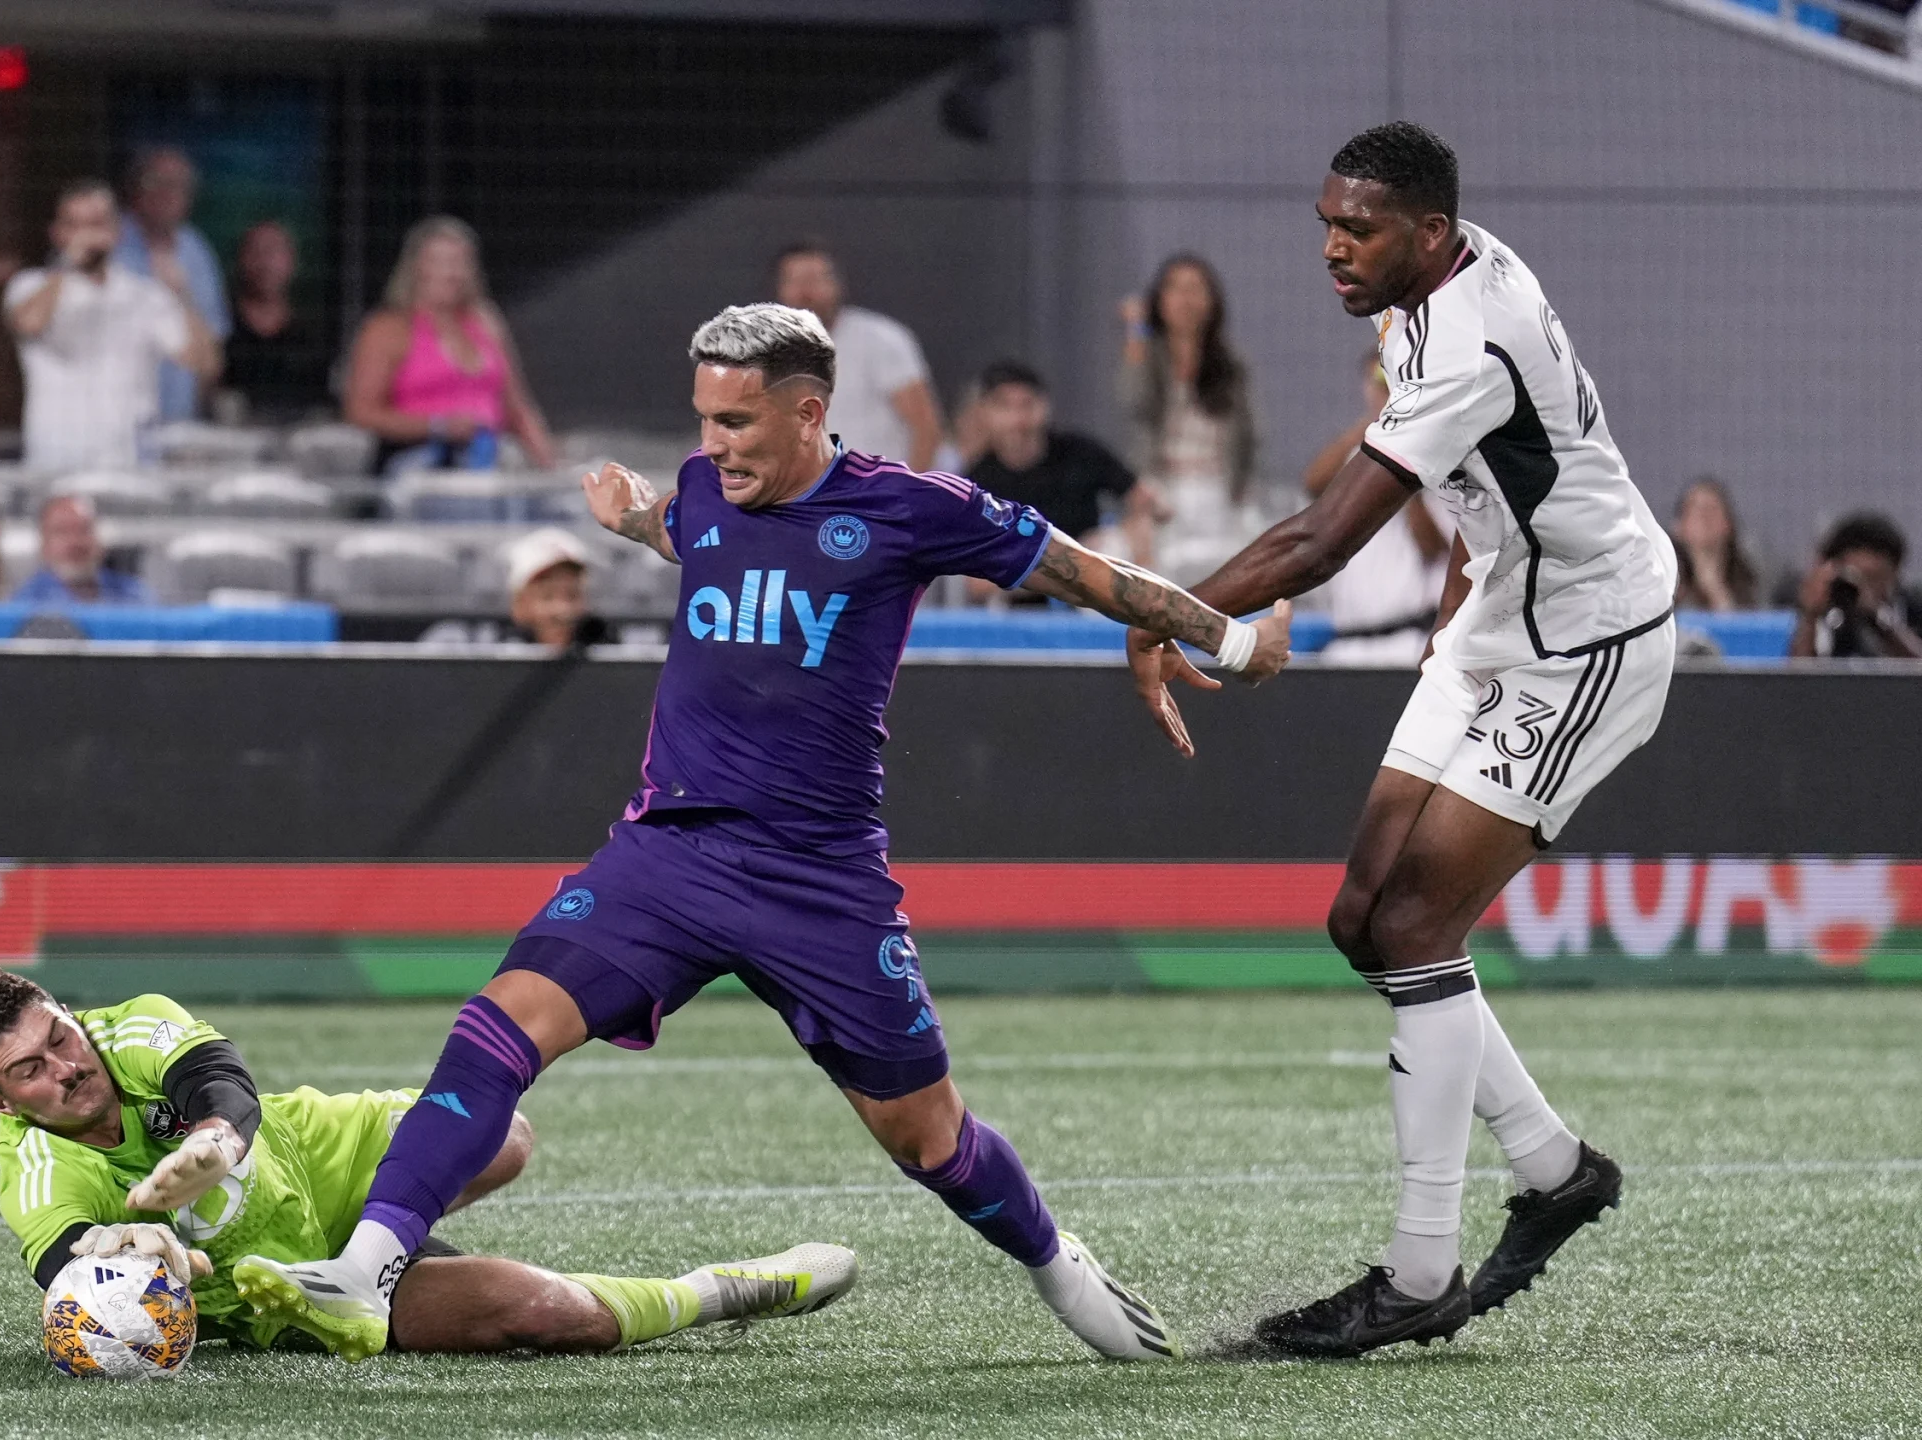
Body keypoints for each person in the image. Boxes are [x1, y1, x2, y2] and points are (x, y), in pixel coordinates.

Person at [232, 302, 1290, 1363]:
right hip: (668, 854)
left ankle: (1058, 1264)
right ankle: (364, 1273)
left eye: (736, 422)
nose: (712, 445)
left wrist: (1231, 640)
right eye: (703, 419)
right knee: (496, 1027)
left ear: (808, 412)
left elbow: (1078, 570)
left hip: (819, 883)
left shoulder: (906, 507)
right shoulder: (702, 488)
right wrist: (638, 518)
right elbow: (691, 532)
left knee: (926, 1139)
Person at [1125, 123, 1672, 1356]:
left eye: (1355, 228)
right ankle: (1555, 1170)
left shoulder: (1465, 335)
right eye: (1324, 221)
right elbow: (1481, 482)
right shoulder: (1427, 283)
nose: (1330, 247)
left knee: (1420, 927)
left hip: (1585, 637)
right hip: (1494, 607)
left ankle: (1419, 1274)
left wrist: (1158, 610)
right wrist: (1455, 623)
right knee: (1361, 919)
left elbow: (1321, 545)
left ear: (1427, 233)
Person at [0, 969, 855, 1357]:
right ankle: (725, 1289)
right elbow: (60, 1262)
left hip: (315, 1153)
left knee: (503, 1134)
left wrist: (216, 1141)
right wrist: (109, 1252)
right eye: (32, 1070)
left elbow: (219, 1080)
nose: (68, 1066)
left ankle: (378, 1245)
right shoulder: (33, 1169)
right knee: (543, 1315)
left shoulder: (128, 1022)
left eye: (60, 1035)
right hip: (273, 1290)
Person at [5, 179, 215, 472]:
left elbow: (203, 362)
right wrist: (67, 264)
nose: (87, 234)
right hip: (55, 457)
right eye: (75, 225)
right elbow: (29, 323)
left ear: (117, 232)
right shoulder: (31, 285)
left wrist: (184, 296)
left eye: (96, 223)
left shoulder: (145, 294)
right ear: (57, 233)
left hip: (127, 461)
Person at [343, 216, 557, 474]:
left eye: (459, 262)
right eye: (440, 262)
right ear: (417, 267)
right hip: (419, 460)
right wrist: (438, 426)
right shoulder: (389, 329)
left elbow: (518, 407)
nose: (451, 272)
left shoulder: (485, 322)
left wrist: (551, 467)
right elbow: (361, 411)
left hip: (490, 457)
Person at [1116, 253, 1260, 585]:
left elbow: (1250, 434)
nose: (1186, 300)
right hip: (1162, 487)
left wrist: (1243, 486)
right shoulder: (1149, 357)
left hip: (1217, 486)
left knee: (1227, 574)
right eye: (1176, 289)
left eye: (1196, 289)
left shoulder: (1231, 364)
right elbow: (1133, 400)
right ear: (1160, 300)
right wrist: (1135, 332)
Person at [1301, 354, 1452, 665]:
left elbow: (1433, 548)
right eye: (1380, 386)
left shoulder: (1439, 459)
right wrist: (1376, 427)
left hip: (1406, 643)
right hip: (1348, 644)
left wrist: (1402, 472)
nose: (1388, 395)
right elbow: (1313, 482)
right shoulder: (1359, 451)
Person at [963, 360, 1152, 575]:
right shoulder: (976, 481)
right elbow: (975, 579)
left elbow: (1145, 501)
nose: (1017, 420)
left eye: (1026, 405)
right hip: (1019, 599)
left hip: (1089, 586)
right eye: (1004, 407)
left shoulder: (1080, 452)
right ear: (985, 412)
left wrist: (1122, 536)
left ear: (1044, 406)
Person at [773, 241, 941, 471]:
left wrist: (910, 495)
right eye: (794, 282)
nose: (805, 293)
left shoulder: (881, 340)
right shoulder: (769, 352)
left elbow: (925, 427)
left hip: (878, 497)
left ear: (836, 285)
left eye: (813, 280)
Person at [112, 146, 230, 423]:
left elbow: (211, 355)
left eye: (178, 186)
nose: (167, 194)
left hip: (178, 422)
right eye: (157, 183)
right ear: (134, 190)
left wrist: (181, 295)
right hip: (113, 423)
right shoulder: (106, 241)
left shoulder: (196, 252)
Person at [419, 528, 614, 648]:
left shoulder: (613, 652)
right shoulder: (487, 658)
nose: (562, 610)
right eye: (547, 597)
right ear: (520, 604)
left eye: (572, 595)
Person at [221, 220, 334, 423]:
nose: (265, 263)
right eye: (256, 251)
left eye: (274, 252)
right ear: (241, 259)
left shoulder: (311, 338)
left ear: (292, 261)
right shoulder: (220, 327)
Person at [1786, 512, 1921, 659]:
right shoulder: (1823, 613)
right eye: (1856, 577)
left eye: (1874, 579)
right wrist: (1810, 618)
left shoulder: (1913, 609)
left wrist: (1879, 618)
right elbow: (1798, 676)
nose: (1863, 588)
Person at [14, 492, 149, 604]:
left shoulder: (133, 594)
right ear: (44, 543)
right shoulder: (27, 604)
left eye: (84, 529)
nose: (75, 541)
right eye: (62, 532)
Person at [1669, 476, 1760, 612]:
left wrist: (1715, 588)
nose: (1704, 517)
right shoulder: (1665, 585)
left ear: (1728, 524)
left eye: (1712, 509)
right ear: (1678, 527)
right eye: (1695, 509)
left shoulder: (1751, 581)